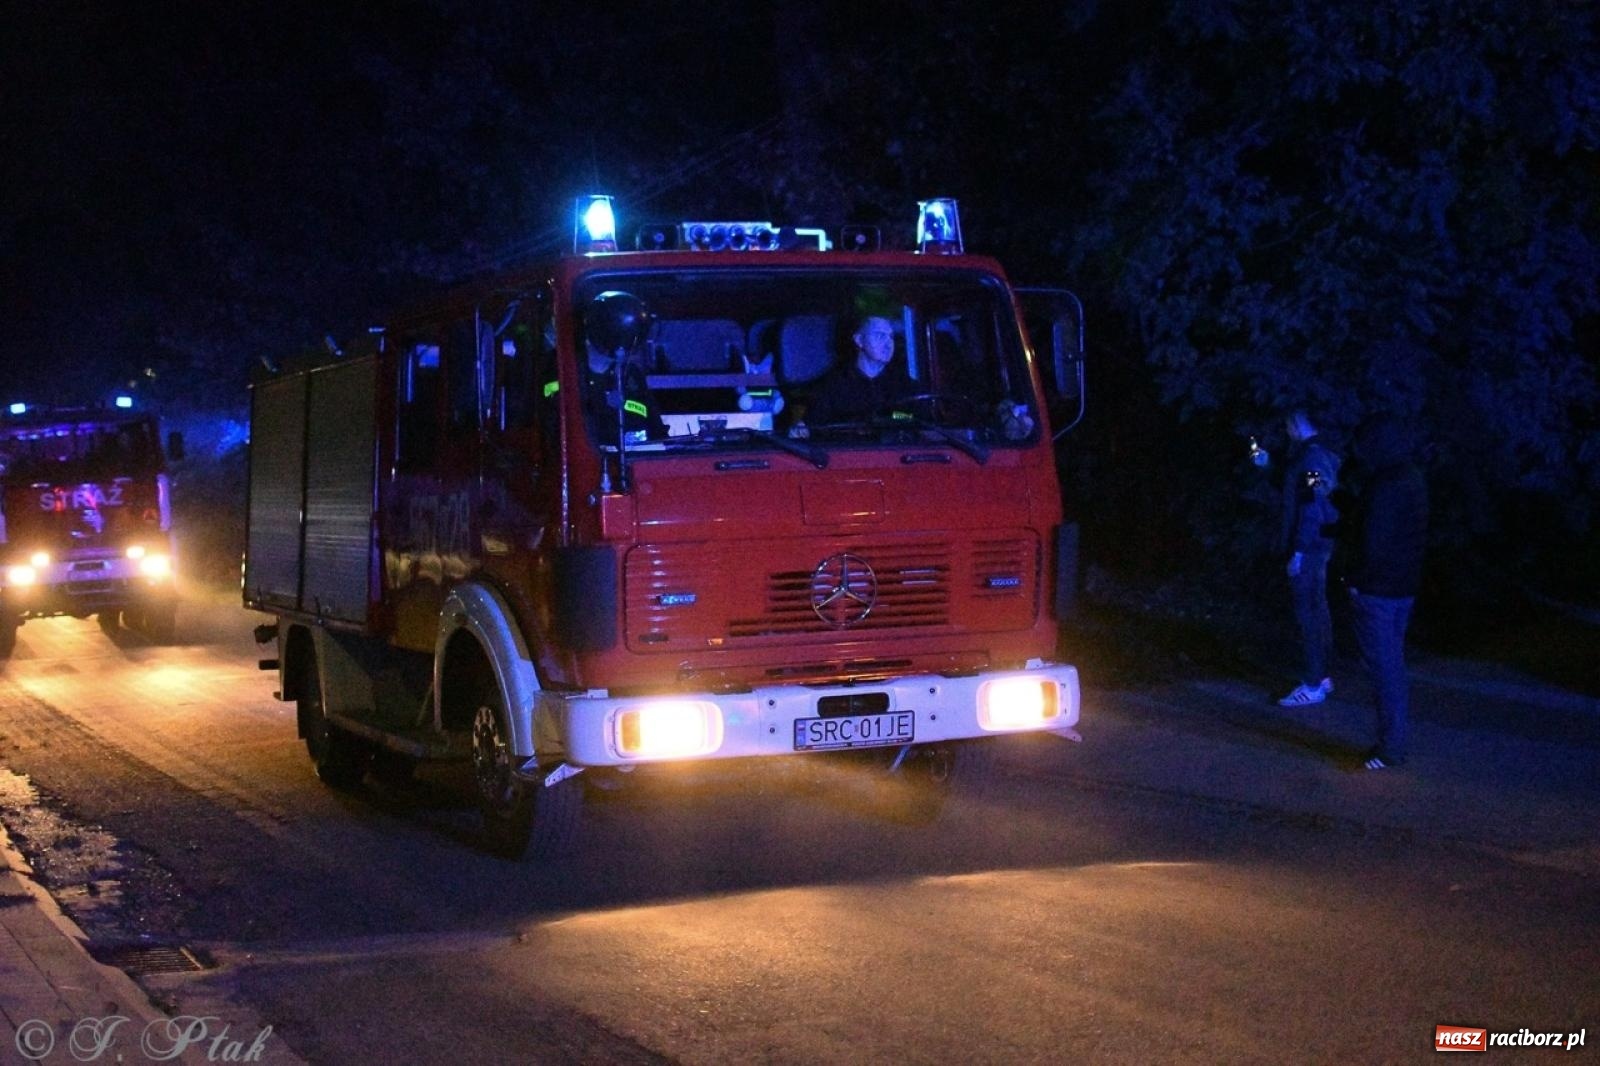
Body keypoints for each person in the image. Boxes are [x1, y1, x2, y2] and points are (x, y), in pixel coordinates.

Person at [1342, 415, 1428, 770]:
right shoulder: (1412, 477)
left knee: (1385, 670)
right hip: (1402, 587)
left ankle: (1390, 748)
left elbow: (1373, 541)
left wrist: (1354, 579)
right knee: (1391, 664)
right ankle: (1391, 743)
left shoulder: (1384, 483)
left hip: (1377, 591)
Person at [1276, 410, 1342, 707]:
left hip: (1311, 546)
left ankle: (1313, 683)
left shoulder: (1312, 457)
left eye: (1288, 427)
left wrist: (1299, 551)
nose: (1287, 433)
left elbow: (1313, 504)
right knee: (1318, 609)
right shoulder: (1320, 452)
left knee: (1308, 613)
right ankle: (1323, 676)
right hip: (1321, 543)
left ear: (1296, 425)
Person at [802, 314, 912, 425]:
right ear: (859, 340)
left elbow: (914, 418)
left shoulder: (904, 385)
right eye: (879, 335)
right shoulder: (832, 386)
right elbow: (813, 426)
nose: (888, 344)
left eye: (891, 337)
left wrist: (894, 417)